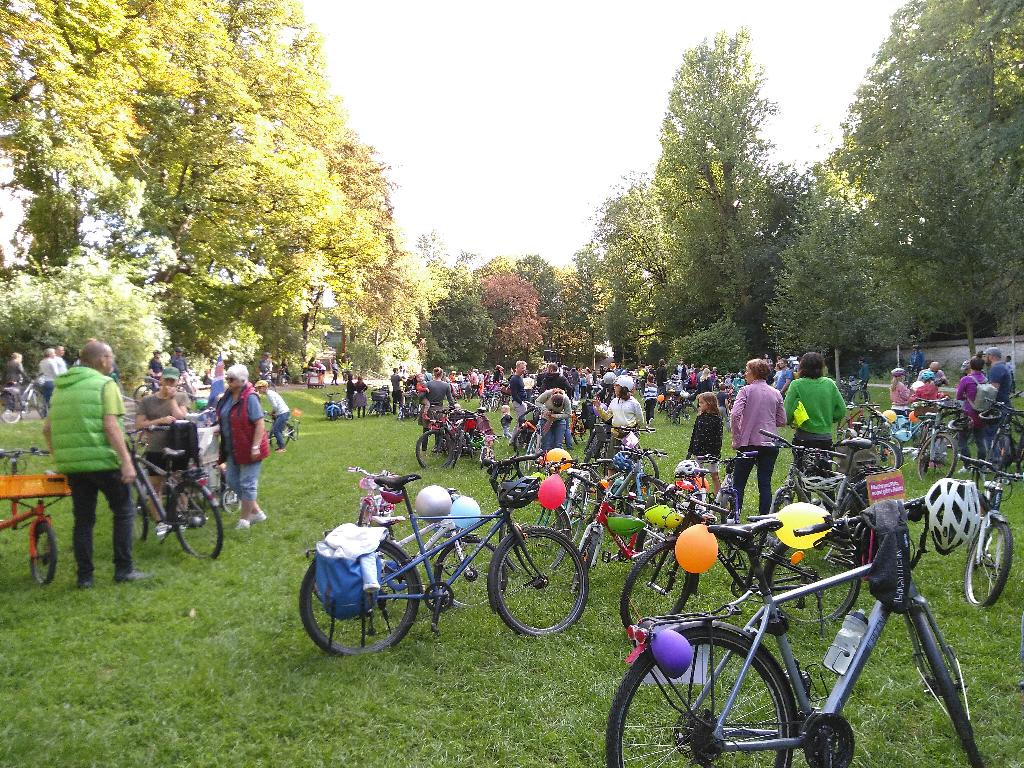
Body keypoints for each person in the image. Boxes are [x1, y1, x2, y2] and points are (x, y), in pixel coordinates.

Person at [42, 340, 147, 587]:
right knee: (123, 512)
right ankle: (124, 570)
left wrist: (59, 459)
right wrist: (126, 462)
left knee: (84, 520)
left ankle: (85, 577)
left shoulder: (61, 387)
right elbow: (111, 426)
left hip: (75, 467)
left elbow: (47, 429)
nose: (112, 361)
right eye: (111, 357)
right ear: (102, 359)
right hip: (104, 461)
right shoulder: (105, 385)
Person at [135, 365, 191, 537]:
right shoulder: (148, 401)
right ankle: (160, 521)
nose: (169, 384)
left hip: (177, 447)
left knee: (180, 482)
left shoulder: (181, 397)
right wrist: (160, 420)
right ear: (161, 380)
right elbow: (139, 424)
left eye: (172, 381)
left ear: (178, 382)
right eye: (166, 380)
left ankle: (181, 515)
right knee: (155, 487)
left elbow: (182, 417)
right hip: (156, 448)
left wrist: (172, 399)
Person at [730, 358, 787, 517]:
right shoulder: (776, 393)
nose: (745, 373)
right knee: (765, 483)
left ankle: (735, 516)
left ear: (754, 373)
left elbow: (735, 415)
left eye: (747, 370)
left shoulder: (745, 390)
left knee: (739, 482)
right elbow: (782, 420)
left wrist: (736, 437)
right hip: (770, 443)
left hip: (748, 443)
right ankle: (763, 518)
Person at [216, 364, 268, 530]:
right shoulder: (227, 395)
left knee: (247, 483)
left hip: (249, 447)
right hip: (232, 447)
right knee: (231, 481)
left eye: (231, 380)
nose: (228, 382)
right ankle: (257, 513)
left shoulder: (250, 397)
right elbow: (226, 416)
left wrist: (255, 447)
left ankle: (245, 520)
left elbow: (260, 424)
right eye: (227, 379)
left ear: (242, 380)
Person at [783, 352, 846, 453]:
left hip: (804, 437)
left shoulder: (796, 385)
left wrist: (792, 421)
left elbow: (786, 413)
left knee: (801, 467)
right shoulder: (829, 383)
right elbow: (841, 410)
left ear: (801, 367)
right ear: (822, 367)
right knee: (825, 468)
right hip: (825, 438)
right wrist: (829, 418)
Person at [593, 375, 644, 457]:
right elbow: (607, 417)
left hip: (629, 435)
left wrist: (634, 429)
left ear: (624, 388)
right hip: (616, 435)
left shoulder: (634, 403)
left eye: (617, 386)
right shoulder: (614, 401)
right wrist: (599, 408)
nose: (614, 388)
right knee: (612, 462)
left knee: (633, 459)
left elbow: (640, 420)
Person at [687, 392, 723, 492]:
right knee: (696, 474)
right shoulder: (700, 418)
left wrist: (716, 454)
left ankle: (718, 499)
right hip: (698, 451)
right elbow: (694, 434)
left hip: (712, 453)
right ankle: (697, 496)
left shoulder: (717, 419)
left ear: (709, 403)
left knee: (714, 475)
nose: (699, 405)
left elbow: (718, 438)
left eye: (702, 403)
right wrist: (690, 450)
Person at [954, 357, 988, 460]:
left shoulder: (966, 379)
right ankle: (981, 464)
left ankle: (967, 464)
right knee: (980, 440)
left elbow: (958, 396)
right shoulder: (985, 379)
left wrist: (966, 395)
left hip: (968, 413)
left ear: (971, 366)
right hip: (982, 413)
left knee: (962, 439)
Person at [255, 379, 290, 452]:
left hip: (283, 413)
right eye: (258, 388)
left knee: (276, 430)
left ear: (265, 387)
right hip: (281, 412)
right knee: (276, 429)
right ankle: (279, 444)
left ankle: (282, 448)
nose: (258, 389)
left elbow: (275, 406)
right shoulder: (269, 393)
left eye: (260, 388)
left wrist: (272, 412)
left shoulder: (270, 394)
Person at [507, 360, 529, 444]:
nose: (524, 369)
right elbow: (514, 394)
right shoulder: (514, 379)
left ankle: (513, 440)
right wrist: (521, 403)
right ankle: (516, 440)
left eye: (525, 368)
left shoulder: (520, 377)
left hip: (522, 402)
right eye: (522, 368)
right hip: (519, 403)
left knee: (519, 422)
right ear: (517, 368)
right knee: (521, 422)